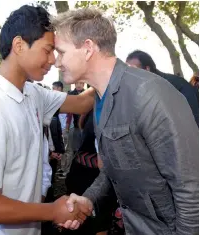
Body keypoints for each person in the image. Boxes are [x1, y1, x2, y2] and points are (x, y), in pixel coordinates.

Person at [52, 8, 199, 234]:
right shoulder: (101, 98)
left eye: (61, 52)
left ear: (88, 48)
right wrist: (88, 200)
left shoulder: (148, 94)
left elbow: (191, 186)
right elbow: (115, 168)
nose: (56, 62)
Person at [0, 5, 94, 235]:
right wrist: (52, 211)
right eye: (48, 50)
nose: (53, 60)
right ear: (19, 45)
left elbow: (81, 103)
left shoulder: (33, 93)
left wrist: (105, 67)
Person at [126, 50, 199, 126]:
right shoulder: (136, 90)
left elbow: (194, 118)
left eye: (134, 70)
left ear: (147, 69)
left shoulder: (177, 85)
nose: (129, 74)